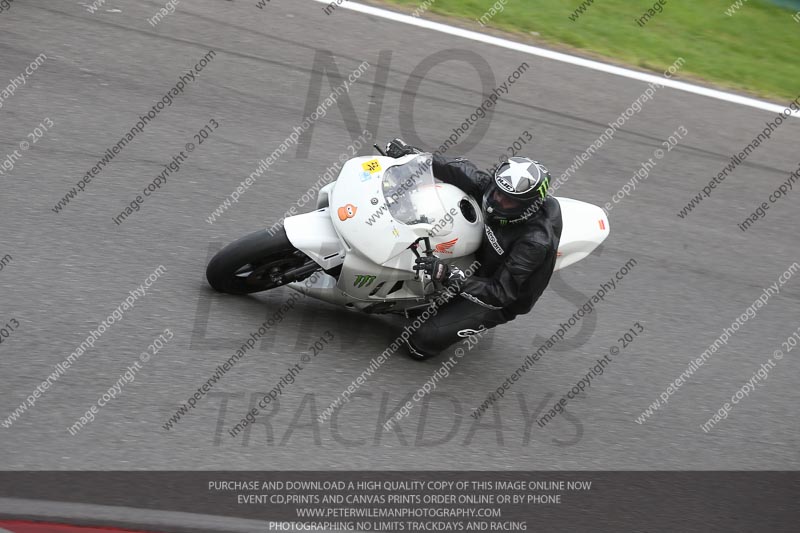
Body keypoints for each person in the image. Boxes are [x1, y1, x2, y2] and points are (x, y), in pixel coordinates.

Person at [385, 139, 563, 360]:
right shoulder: (497, 191)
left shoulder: (533, 243)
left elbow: (500, 293)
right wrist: (415, 156)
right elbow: (461, 170)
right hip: (481, 258)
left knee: (421, 341)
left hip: (500, 296)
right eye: (497, 191)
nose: (497, 200)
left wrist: (448, 275)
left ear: (527, 206)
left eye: (507, 200)